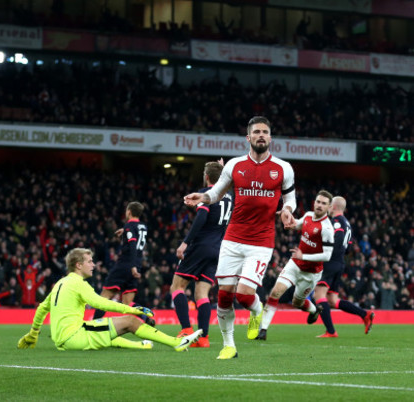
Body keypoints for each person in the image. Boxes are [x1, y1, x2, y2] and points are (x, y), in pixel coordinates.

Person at [183, 116, 296, 359]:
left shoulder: (283, 168)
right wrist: (201, 197)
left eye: (265, 131)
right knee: (224, 294)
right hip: (232, 238)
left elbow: (290, 199)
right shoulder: (234, 165)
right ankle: (229, 345)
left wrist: (287, 211)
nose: (261, 135)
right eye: (257, 132)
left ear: (270, 137)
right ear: (249, 137)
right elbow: (215, 193)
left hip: (261, 241)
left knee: (244, 295)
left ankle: (257, 311)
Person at [17, 248, 202, 351]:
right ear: (78, 265)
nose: (93, 265)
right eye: (89, 261)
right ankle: (176, 343)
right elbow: (100, 303)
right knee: (129, 321)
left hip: (64, 339)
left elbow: (42, 308)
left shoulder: (60, 283)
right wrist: (133, 309)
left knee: (107, 331)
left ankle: (141, 345)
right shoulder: (78, 283)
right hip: (74, 337)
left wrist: (33, 333)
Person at [255, 190, 335, 340]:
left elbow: (327, 255)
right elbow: (299, 224)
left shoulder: (327, 229)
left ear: (329, 207)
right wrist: (289, 220)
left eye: (323, 203)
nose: (319, 205)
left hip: (310, 273)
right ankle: (263, 330)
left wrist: (303, 255)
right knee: (275, 293)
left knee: (297, 302)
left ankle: (314, 311)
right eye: (318, 201)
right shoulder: (308, 215)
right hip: (295, 264)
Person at [172, 160, 231, 348]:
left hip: (200, 246)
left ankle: (187, 330)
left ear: (206, 177)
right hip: (217, 249)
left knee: (177, 287)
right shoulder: (229, 197)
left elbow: (201, 218)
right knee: (202, 293)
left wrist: (185, 243)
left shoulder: (206, 195)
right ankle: (204, 338)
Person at [312, 196, 374, 337]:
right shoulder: (347, 223)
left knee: (319, 295)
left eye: (328, 205)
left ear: (333, 207)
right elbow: (348, 248)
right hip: (340, 263)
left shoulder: (336, 222)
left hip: (330, 262)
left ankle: (331, 331)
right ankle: (365, 314)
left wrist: (326, 252)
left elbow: (338, 240)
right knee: (333, 300)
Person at [93, 202, 154, 325]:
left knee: (104, 298)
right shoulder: (143, 226)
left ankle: (92, 327)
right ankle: (145, 316)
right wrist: (125, 231)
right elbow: (135, 234)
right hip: (137, 265)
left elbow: (132, 245)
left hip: (125, 265)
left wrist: (131, 266)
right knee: (127, 303)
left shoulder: (129, 226)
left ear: (129, 212)